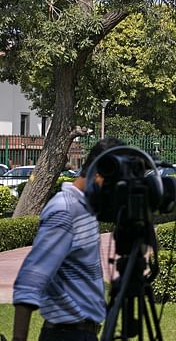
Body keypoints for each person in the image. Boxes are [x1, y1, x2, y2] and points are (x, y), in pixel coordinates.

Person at [13, 137, 125, 341]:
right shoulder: (65, 209)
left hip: (81, 333)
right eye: (113, 186)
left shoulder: (84, 209)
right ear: (99, 173)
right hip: (67, 334)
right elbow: (30, 279)